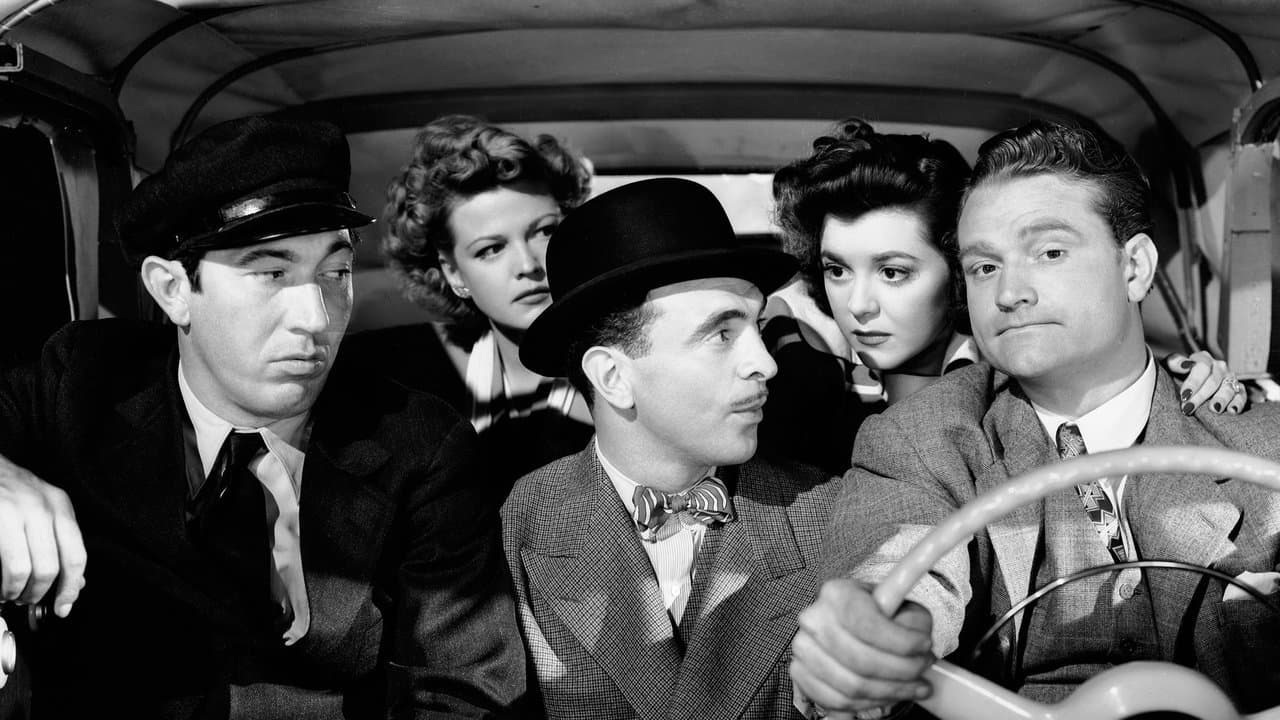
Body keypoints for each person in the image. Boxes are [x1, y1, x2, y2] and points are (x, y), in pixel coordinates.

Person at [0, 115, 525, 717]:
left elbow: (463, 692)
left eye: (336, 273)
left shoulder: (420, 445)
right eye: (272, 273)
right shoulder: (83, 380)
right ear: (173, 290)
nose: (316, 319)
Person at [790, 120, 1280, 716]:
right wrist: (876, 636)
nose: (1009, 293)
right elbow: (895, 563)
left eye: (1049, 253)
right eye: (984, 267)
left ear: (1134, 268)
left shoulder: (1260, 443)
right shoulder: (919, 441)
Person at [503, 178, 840, 719]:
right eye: (721, 335)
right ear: (612, 377)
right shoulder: (520, 525)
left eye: (756, 326)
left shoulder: (827, 514)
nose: (765, 363)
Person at [761, 119, 1245, 471]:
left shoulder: (1025, 375)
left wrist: (1175, 384)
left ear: (959, 272)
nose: (858, 305)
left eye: (893, 272)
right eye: (837, 270)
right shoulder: (787, 378)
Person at [357, 115, 593, 497]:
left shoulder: (634, 366)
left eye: (545, 231)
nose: (528, 265)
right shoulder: (407, 390)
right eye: (491, 249)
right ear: (453, 272)